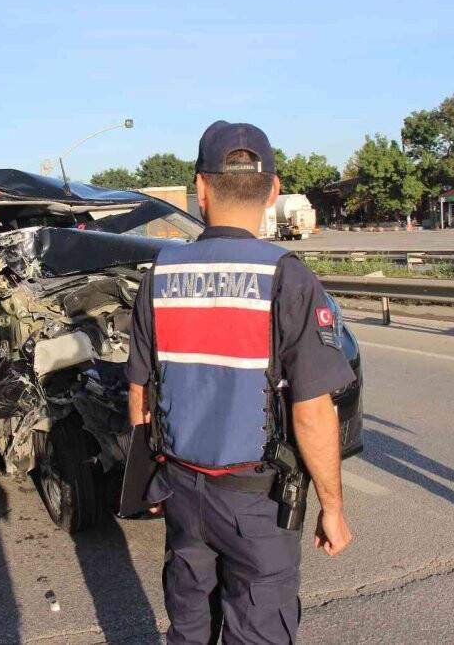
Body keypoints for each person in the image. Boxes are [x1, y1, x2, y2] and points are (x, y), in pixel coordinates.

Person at [127, 121, 355, 644]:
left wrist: (148, 481)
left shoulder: (159, 274)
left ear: (199, 188)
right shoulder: (288, 276)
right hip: (258, 504)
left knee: (190, 627)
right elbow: (312, 409)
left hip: (181, 489)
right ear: (273, 191)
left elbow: (139, 393)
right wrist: (333, 509)